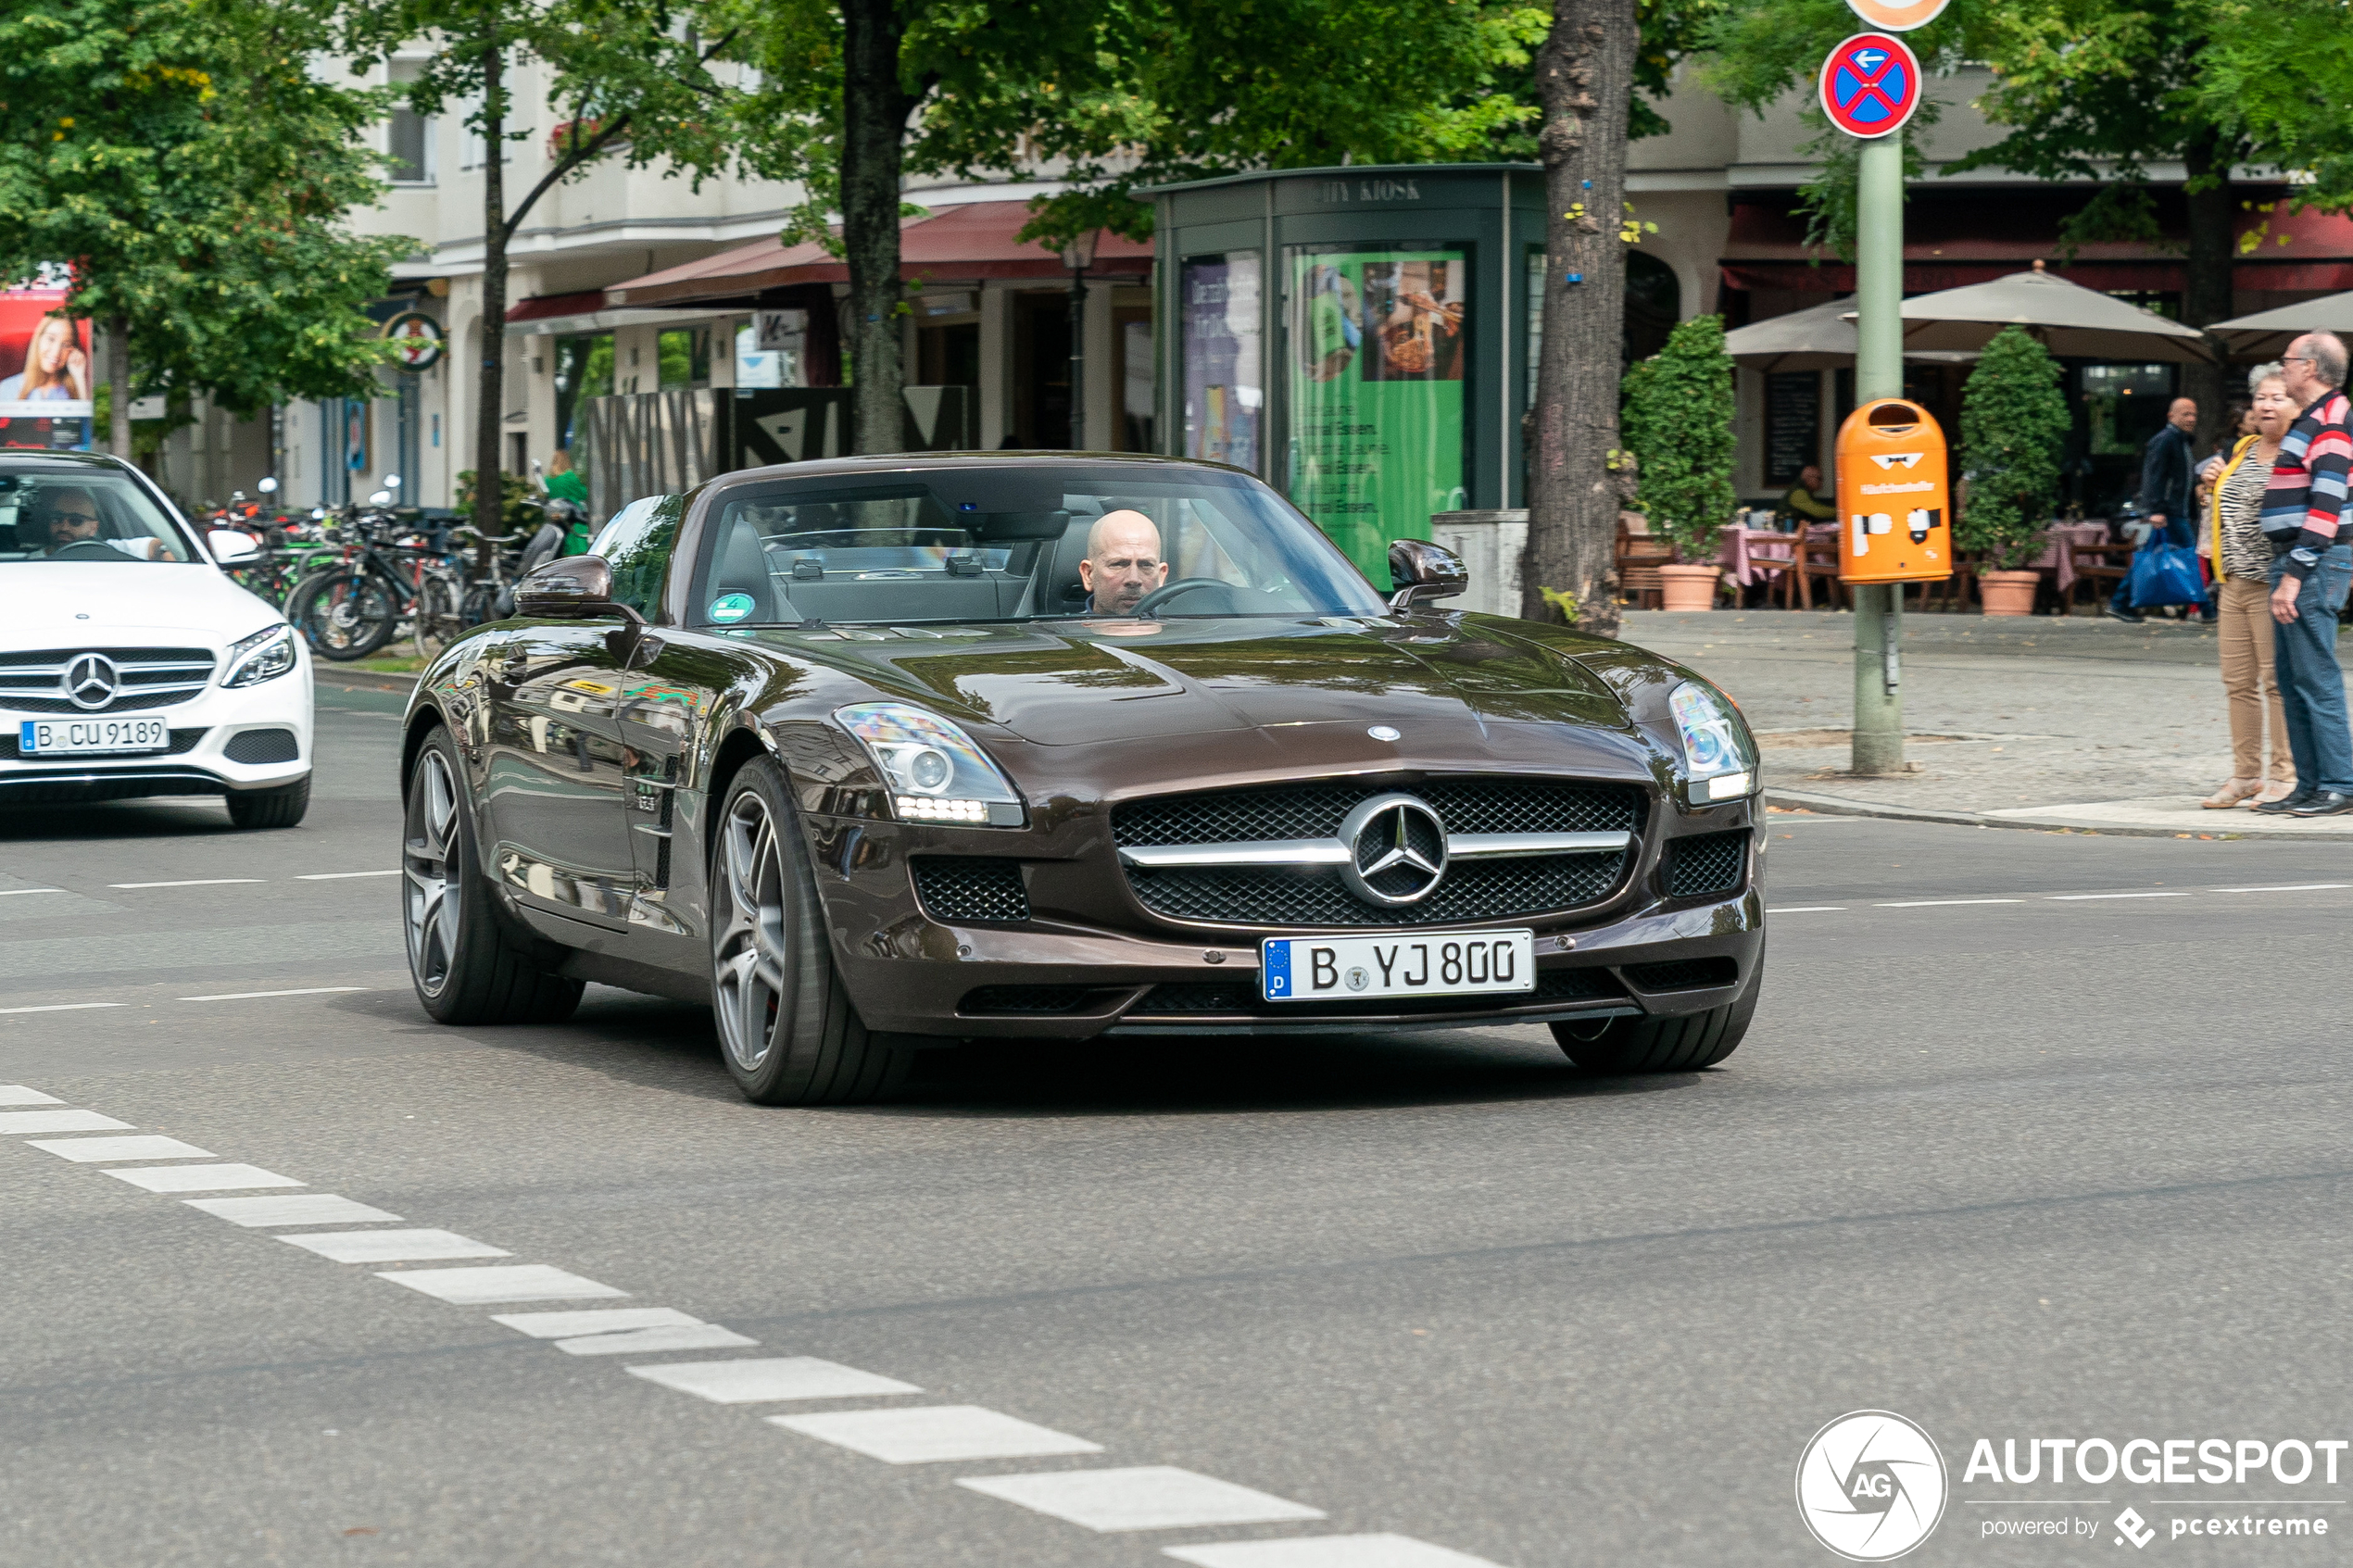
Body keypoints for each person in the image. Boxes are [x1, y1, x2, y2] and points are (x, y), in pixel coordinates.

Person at [2255, 331, 2353, 816]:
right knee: (2292, 677)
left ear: (2310, 368)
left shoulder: (2332, 419)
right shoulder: (2313, 419)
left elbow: (2328, 503)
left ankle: (2338, 783)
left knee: (2315, 675)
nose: (2283, 368)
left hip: (2312, 560)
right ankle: (2311, 784)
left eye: (2288, 360)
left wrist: (2295, 573)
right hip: (2298, 559)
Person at [2200, 369, 2297, 808]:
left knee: (2276, 682)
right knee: (2237, 682)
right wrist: (2208, 487)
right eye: (2261, 397)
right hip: (2233, 580)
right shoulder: (2241, 450)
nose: (2267, 405)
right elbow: (2222, 506)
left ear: (2297, 407)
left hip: (2272, 582)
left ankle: (2284, 774)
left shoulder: (2299, 455)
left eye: (2277, 397)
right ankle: (2244, 775)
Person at [2108, 395, 2200, 623]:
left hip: (2175, 510)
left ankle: (2119, 602)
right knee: (2188, 556)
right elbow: (2154, 477)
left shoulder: (2180, 440)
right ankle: (2206, 608)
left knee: (2153, 556)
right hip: (2169, 512)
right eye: (2186, 414)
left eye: (2193, 415)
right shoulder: (2167, 439)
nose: (2191, 419)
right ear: (2171, 416)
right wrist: (2155, 510)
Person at [1078, 509, 1167, 615]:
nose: (1134, 580)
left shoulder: (1182, 628)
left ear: (1161, 576)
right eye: (1118, 564)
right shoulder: (1062, 630)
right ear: (1088, 575)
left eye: (1146, 565)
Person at [0, 314, 91, 403]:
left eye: (66, 345)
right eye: (51, 339)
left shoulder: (73, 391)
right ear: (39, 339)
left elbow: (85, 417)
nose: (56, 353)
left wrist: (79, 377)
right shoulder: (7, 388)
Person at [31, 487, 105, 554]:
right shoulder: (29, 564)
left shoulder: (108, 562)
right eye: (57, 518)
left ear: (93, 528)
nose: (64, 528)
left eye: (75, 520)